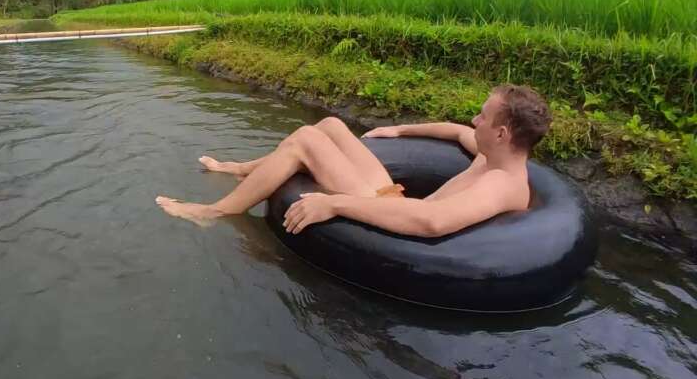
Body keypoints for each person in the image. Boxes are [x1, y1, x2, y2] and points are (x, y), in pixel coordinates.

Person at [155, 84, 552, 237]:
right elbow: (453, 130)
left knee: (306, 142)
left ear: (502, 133)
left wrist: (335, 203)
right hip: (391, 195)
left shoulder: (502, 184)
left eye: (483, 116)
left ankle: (214, 212)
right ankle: (240, 169)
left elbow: (432, 222)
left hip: (390, 211)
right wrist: (397, 131)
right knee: (329, 124)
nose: (475, 120)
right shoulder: (491, 156)